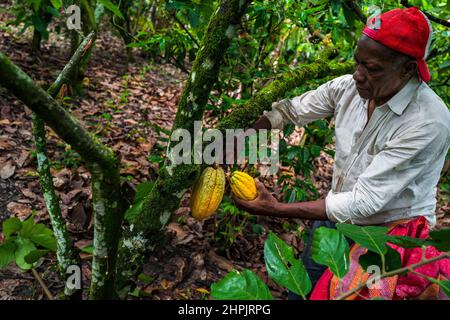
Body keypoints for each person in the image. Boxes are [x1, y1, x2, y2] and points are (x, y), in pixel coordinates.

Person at [232, 7, 450, 299]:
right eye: (357, 62)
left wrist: (275, 209)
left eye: (371, 68)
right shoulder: (349, 88)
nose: (357, 75)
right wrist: (231, 141)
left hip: (387, 235)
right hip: (335, 213)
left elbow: (365, 203)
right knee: (302, 291)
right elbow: (288, 111)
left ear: (407, 69)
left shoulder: (428, 121)